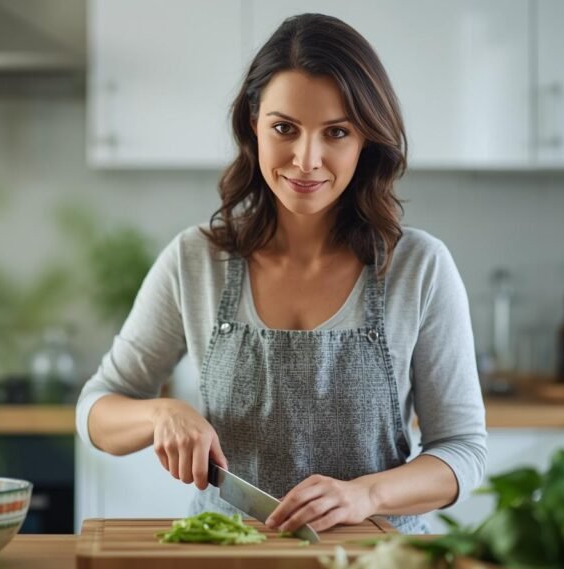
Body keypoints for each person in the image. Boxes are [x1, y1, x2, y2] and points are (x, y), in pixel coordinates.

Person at [75, 13, 486, 535]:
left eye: (336, 132)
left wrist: (366, 494)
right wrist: (159, 416)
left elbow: (463, 450)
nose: (306, 160)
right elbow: (95, 409)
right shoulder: (197, 260)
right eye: (284, 128)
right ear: (253, 123)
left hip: (375, 563)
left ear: (365, 142)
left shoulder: (419, 268)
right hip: (231, 559)